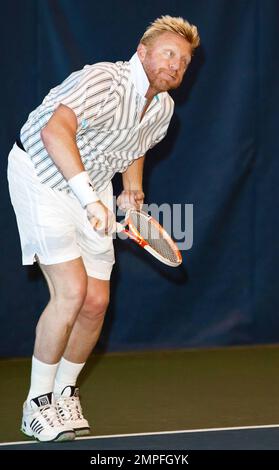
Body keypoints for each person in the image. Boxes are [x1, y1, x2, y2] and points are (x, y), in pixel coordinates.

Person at [7, 15, 200, 442]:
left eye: (184, 62)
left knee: (95, 302)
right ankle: (36, 404)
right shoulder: (103, 80)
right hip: (41, 174)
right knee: (72, 290)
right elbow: (57, 131)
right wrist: (91, 200)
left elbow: (134, 147)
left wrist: (132, 190)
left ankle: (65, 393)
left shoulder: (163, 109)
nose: (176, 65)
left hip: (90, 182)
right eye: (169, 53)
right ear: (143, 51)